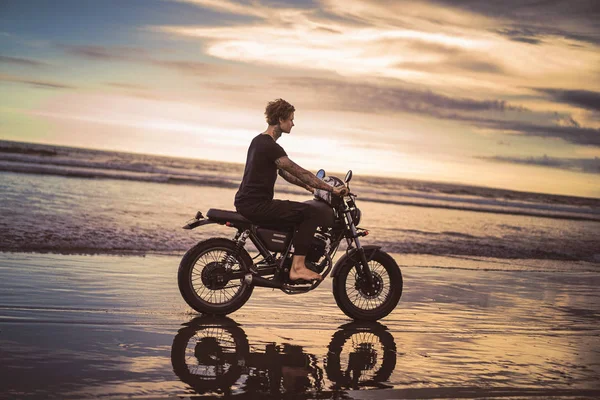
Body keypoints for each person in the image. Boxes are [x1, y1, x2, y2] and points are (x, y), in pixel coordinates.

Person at [235, 98, 348, 282]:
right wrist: (331, 189)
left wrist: (309, 187)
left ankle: (288, 260)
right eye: (291, 119)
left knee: (297, 213)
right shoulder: (270, 146)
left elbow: (284, 173)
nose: (293, 124)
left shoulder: (258, 141)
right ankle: (298, 267)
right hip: (257, 205)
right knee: (310, 213)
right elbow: (297, 170)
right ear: (280, 119)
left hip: (247, 202)